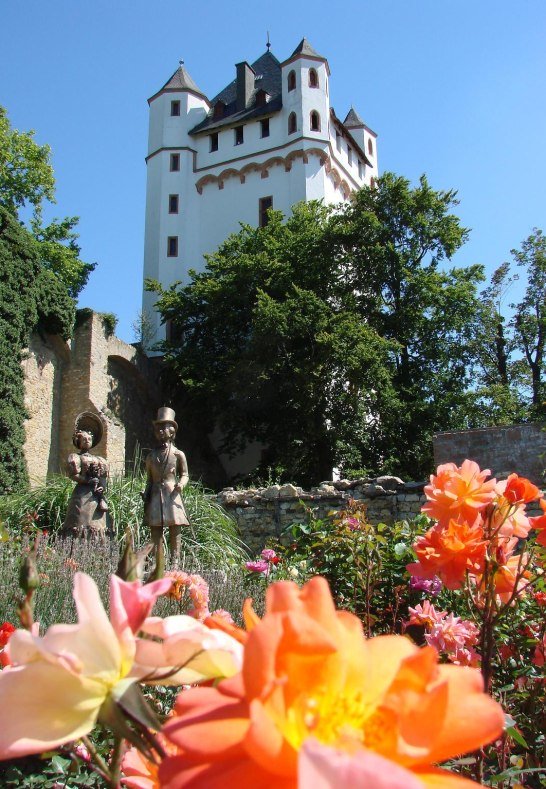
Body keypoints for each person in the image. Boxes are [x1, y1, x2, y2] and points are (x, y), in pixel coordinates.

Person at [142, 407, 189, 566]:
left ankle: (175, 562)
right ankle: (157, 563)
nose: (161, 431)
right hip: (155, 495)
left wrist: (181, 484)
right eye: (159, 428)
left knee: (175, 530)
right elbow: (149, 479)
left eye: (164, 427)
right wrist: (146, 493)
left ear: (172, 431)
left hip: (172, 494)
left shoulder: (178, 454)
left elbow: (185, 474)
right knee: (155, 530)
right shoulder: (150, 456)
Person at [61, 412, 109, 539]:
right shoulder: (76, 457)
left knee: (96, 525)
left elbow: (103, 477)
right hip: (82, 494)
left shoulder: (100, 459)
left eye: (89, 439)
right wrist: (87, 480)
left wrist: (102, 487)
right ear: (79, 442)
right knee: (79, 523)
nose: (87, 441)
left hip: (96, 496)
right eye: (84, 439)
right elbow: (74, 475)